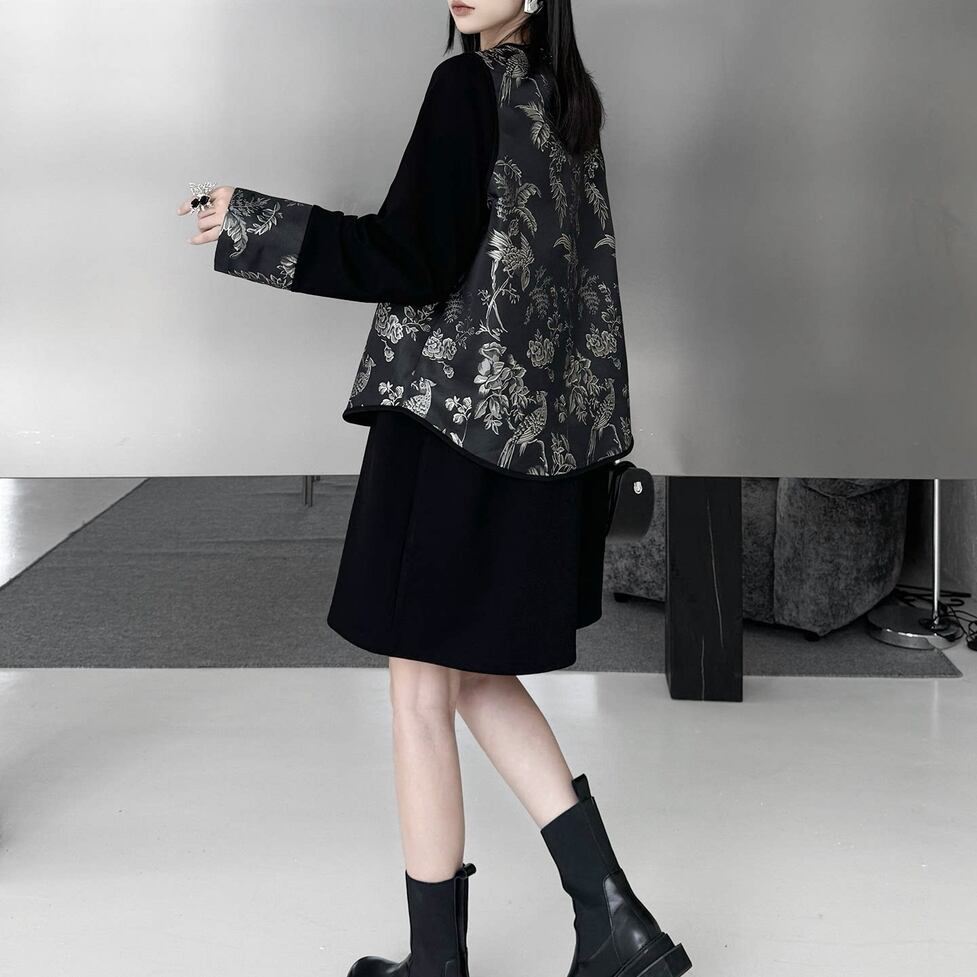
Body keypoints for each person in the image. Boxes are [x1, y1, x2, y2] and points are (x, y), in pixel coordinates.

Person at [178, 2, 692, 975]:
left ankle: (437, 964)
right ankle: (615, 921)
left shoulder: (467, 87)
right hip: (534, 446)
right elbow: (583, 298)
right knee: (475, 676)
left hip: (450, 435)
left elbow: (410, 256)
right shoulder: (566, 102)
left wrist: (255, 224)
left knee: (419, 690)